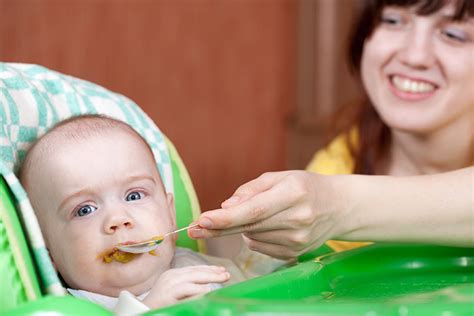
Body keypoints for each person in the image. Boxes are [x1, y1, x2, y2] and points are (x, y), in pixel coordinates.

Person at [188, 0, 474, 258]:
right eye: (393, 21)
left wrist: (340, 204)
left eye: (453, 34)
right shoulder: (336, 164)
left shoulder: (331, 192)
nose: (414, 56)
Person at [19, 115, 232, 313]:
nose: (118, 219)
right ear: (49, 256)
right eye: (85, 210)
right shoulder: (65, 309)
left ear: (170, 214)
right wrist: (147, 309)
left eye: (134, 196)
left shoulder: (207, 264)